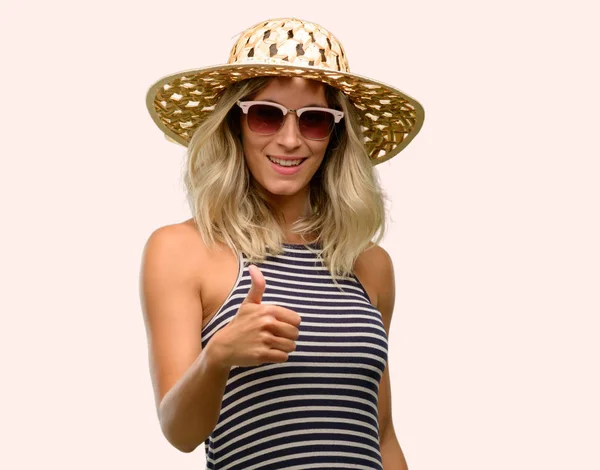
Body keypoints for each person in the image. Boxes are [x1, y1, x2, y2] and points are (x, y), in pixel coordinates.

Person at [140, 17, 424, 470]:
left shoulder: (368, 264)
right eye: (266, 115)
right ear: (235, 123)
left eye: (313, 121)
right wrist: (218, 356)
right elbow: (180, 432)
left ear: (335, 137)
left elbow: (382, 434)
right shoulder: (183, 250)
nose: (289, 140)